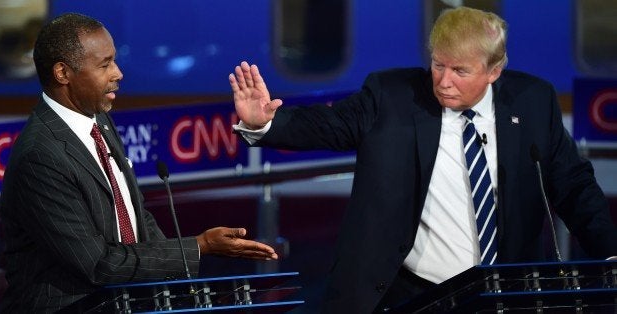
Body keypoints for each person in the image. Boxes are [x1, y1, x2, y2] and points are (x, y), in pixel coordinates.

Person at [229, 6, 617, 313]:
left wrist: (610, 253)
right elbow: (327, 125)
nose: (444, 81)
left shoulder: (534, 102)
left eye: (460, 71)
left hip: (503, 295)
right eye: (438, 64)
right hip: (407, 295)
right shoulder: (391, 96)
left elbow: (574, 186)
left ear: (494, 71)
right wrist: (267, 124)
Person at [0, 13, 278, 313]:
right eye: (104, 65)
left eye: (114, 61)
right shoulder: (41, 156)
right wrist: (198, 247)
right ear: (63, 73)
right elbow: (98, 264)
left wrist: (174, 286)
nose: (118, 73)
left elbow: (134, 216)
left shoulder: (99, 120)